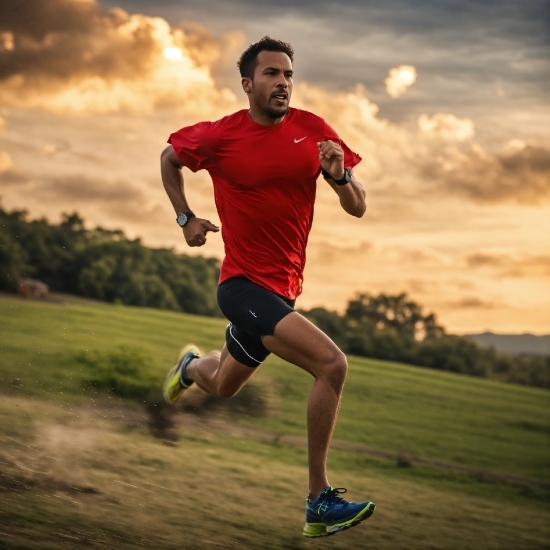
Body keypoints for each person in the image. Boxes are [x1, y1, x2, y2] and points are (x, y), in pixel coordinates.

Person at [160, 36, 375, 538]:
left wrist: (339, 177)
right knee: (332, 364)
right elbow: (169, 158)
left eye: (288, 75)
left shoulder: (314, 131)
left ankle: (191, 368)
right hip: (240, 287)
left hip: (281, 295)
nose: (283, 83)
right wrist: (185, 217)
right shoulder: (220, 137)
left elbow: (358, 205)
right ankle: (318, 501)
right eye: (272, 74)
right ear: (247, 83)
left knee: (223, 386)